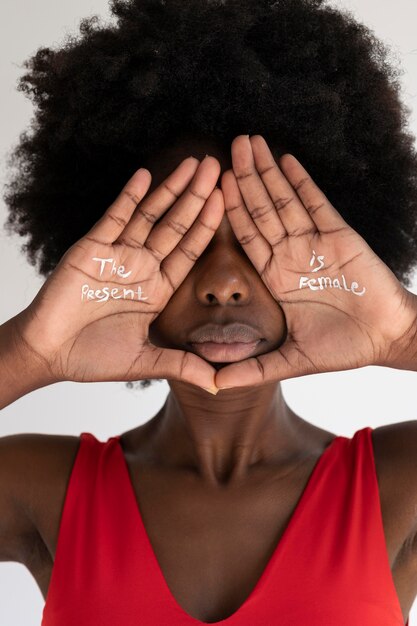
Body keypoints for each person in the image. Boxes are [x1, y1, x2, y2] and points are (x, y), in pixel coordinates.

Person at [1, 0, 417, 624]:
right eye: (181, 238)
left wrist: (408, 332)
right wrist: (26, 357)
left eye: (258, 241)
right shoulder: (39, 485)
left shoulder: (399, 484)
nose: (223, 284)